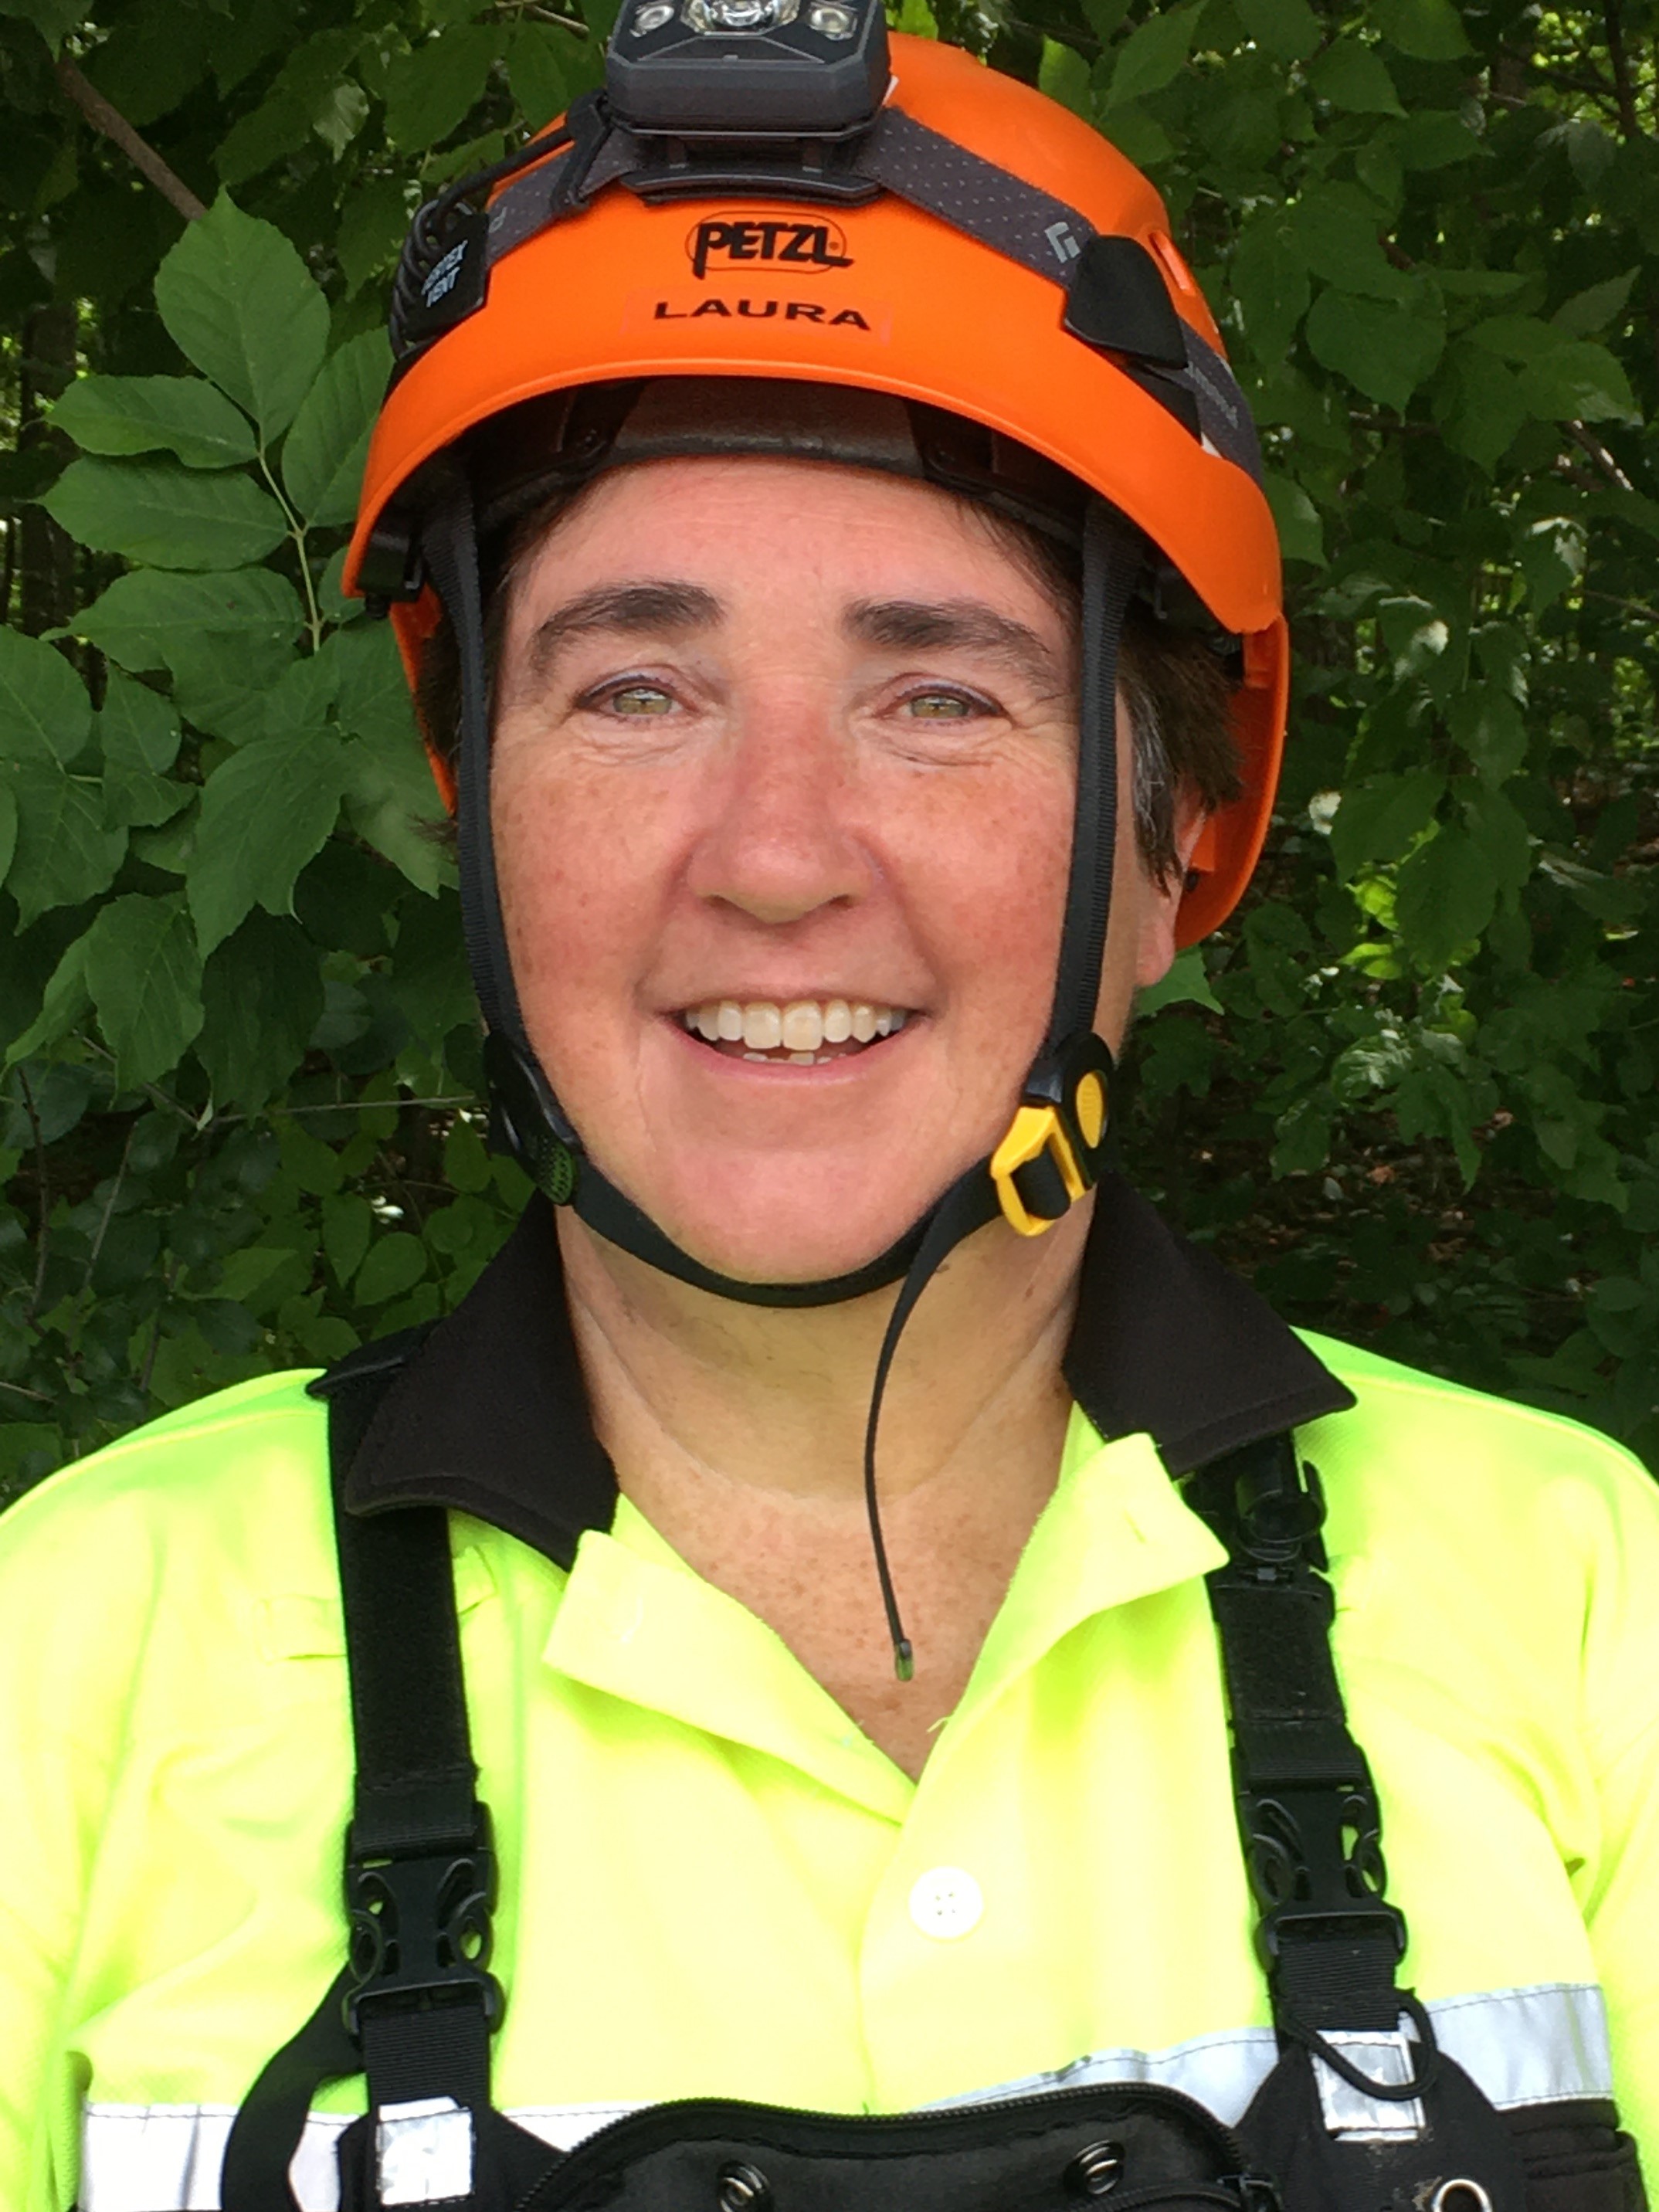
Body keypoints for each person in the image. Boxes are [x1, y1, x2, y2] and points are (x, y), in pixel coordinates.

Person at [1, 19, 1655, 2212]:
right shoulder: (80, 1651)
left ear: (1181, 845)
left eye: (940, 694)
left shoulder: (1570, 1598)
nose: (774, 855)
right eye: (635, 690)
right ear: (476, 817)